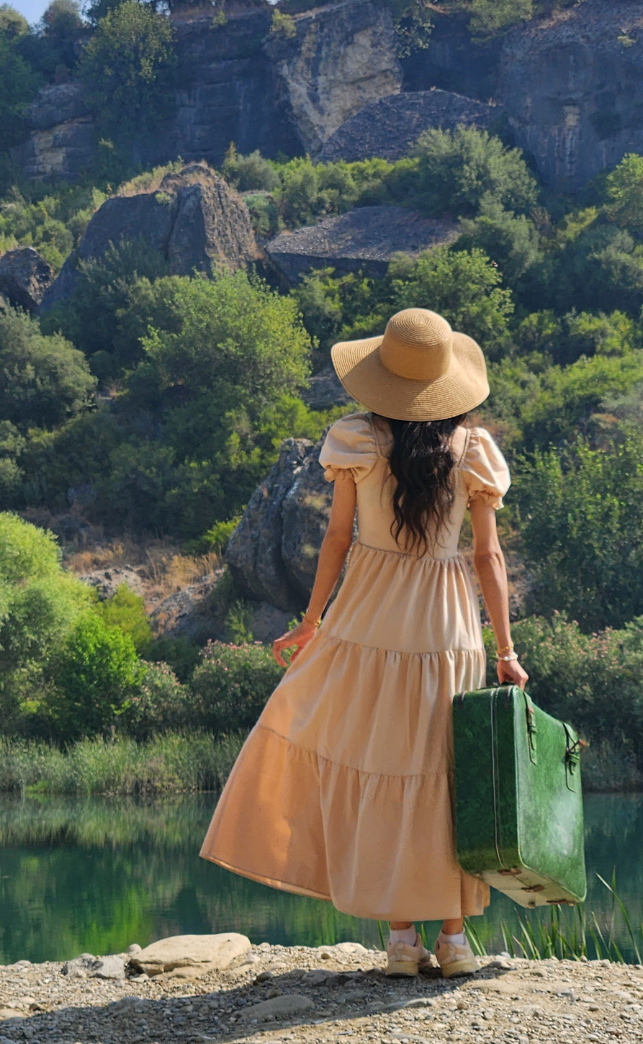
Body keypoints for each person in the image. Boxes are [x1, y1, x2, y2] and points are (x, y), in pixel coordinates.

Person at [200, 308, 528, 978]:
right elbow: (488, 559)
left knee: (378, 766)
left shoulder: (354, 442)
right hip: (446, 626)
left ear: (383, 379)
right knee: (448, 772)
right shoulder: (473, 452)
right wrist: (506, 650)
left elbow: (337, 540)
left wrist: (313, 618)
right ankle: (456, 939)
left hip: (368, 618)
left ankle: (403, 939)